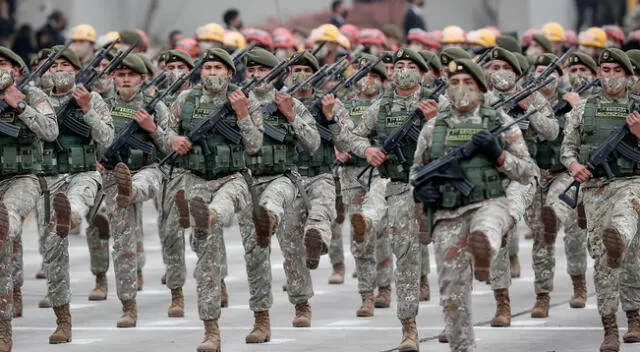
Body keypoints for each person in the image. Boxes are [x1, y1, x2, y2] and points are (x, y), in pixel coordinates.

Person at [412, 58, 538, 352]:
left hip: (488, 202)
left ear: (482, 88)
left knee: (486, 228)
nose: (460, 88)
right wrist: (422, 191)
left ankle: (484, 254)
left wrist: (498, 156)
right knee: (452, 295)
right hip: (447, 214)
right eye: (454, 82)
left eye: (468, 82)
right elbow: (416, 171)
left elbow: (526, 172)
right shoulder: (433, 128)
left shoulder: (499, 123)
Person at [154, 47, 263, 351]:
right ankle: (211, 331)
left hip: (234, 177)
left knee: (221, 207)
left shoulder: (245, 99)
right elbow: (164, 136)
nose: (212, 73)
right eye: (207, 68)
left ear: (230, 73)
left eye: (218, 68)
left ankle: (211, 214)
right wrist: (173, 140)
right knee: (206, 258)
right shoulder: (185, 100)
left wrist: (241, 114)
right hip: (196, 180)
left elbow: (254, 145)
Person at [561, 47, 640, 351]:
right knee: (605, 259)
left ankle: (634, 318)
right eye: (605, 72)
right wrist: (574, 166)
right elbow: (567, 148)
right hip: (595, 190)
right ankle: (610, 328)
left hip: (631, 184)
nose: (610, 77)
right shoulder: (584, 109)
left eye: (616, 71)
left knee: (626, 245)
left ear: (628, 75)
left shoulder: (636, 107)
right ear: (597, 75)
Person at [0, 46, 58, 351]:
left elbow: (50, 131)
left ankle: (3, 329)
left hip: (21, 179)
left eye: (3, 64)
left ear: (17, 71)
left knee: (4, 224)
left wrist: (19, 106)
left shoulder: (33, 96)